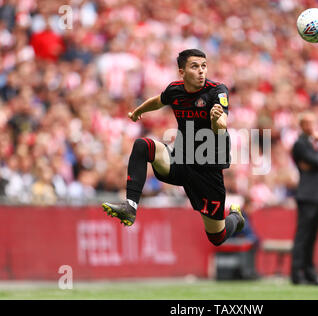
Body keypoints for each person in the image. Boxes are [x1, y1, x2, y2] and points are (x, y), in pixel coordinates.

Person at [102, 49, 244, 246]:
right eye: (195, 66)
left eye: (204, 66)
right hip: (181, 160)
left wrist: (215, 121)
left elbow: (222, 126)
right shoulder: (175, 90)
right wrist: (138, 111)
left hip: (207, 170)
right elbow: (159, 101)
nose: (201, 71)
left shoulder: (217, 91)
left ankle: (235, 218)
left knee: (216, 237)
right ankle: (130, 206)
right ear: (182, 71)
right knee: (143, 145)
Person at [290, 112, 318, 285]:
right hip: (307, 194)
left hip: (317, 194)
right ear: (301, 125)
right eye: (307, 123)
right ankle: (297, 274)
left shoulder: (311, 145)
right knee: (303, 236)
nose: (310, 126)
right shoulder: (300, 144)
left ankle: (309, 273)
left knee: (312, 236)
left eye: (312, 122)